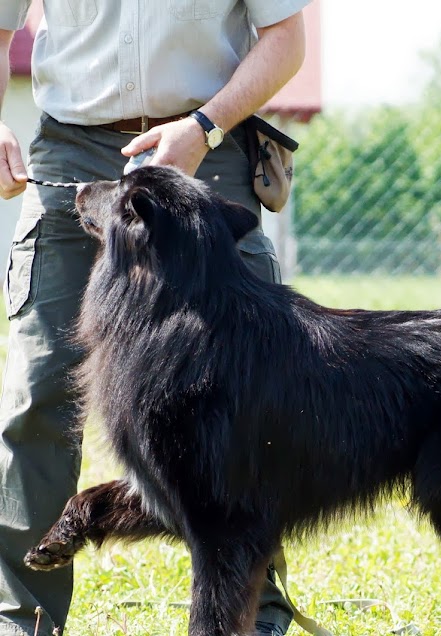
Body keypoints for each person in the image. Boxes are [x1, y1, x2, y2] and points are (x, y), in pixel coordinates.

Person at [0, 2, 311, 634]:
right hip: (72, 152)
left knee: (249, 395)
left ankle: (255, 616)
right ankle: (19, 619)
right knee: (40, 390)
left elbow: (286, 38)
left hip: (208, 148)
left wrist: (203, 126)